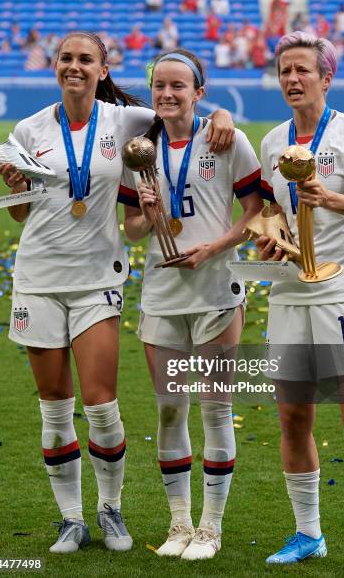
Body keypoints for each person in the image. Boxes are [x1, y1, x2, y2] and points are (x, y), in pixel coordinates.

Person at [0, 32, 234, 555]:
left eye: (85, 59)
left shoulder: (122, 120)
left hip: (99, 277)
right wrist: (15, 186)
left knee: (101, 404)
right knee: (54, 409)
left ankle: (111, 509)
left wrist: (221, 117)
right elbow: (20, 212)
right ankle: (71, 519)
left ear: (103, 69)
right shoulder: (28, 128)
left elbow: (178, 107)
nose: (73, 67)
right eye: (66, 59)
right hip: (37, 277)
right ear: (55, 66)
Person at [256, 31, 344, 578]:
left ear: (326, 78)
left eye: (302, 70)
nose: (292, 78)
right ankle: (308, 533)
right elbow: (270, 213)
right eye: (285, 70)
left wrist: (329, 197)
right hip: (289, 290)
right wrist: (270, 238)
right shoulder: (271, 143)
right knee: (293, 417)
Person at [123, 49, 263, 561]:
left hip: (216, 292)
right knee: (168, 410)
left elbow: (255, 212)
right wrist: (145, 213)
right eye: (160, 84)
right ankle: (179, 523)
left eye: (179, 86)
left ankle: (211, 527)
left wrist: (214, 249)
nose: (167, 93)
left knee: (215, 409)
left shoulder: (227, 137)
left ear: (199, 93)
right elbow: (131, 230)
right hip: (162, 293)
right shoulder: (138, 148)